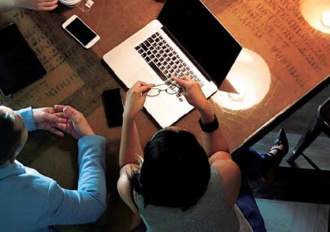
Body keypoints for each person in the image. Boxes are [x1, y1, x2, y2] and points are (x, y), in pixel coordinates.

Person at [117, 77, 289, 232]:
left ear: (145, 172)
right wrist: (204, 108)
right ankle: (267, 165)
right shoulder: (225, 176)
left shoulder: (133, 192)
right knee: (242, 154)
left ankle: (266, 166)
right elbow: (219, 152)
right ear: (204, 166)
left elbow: (128, 165)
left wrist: (128, 116)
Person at [0, 104, 107, 231]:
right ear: (13, 155)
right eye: (22, 123)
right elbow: (93, 205)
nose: (19, 116)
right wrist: (89, 140)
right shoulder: (37, 194)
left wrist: (27, 119)